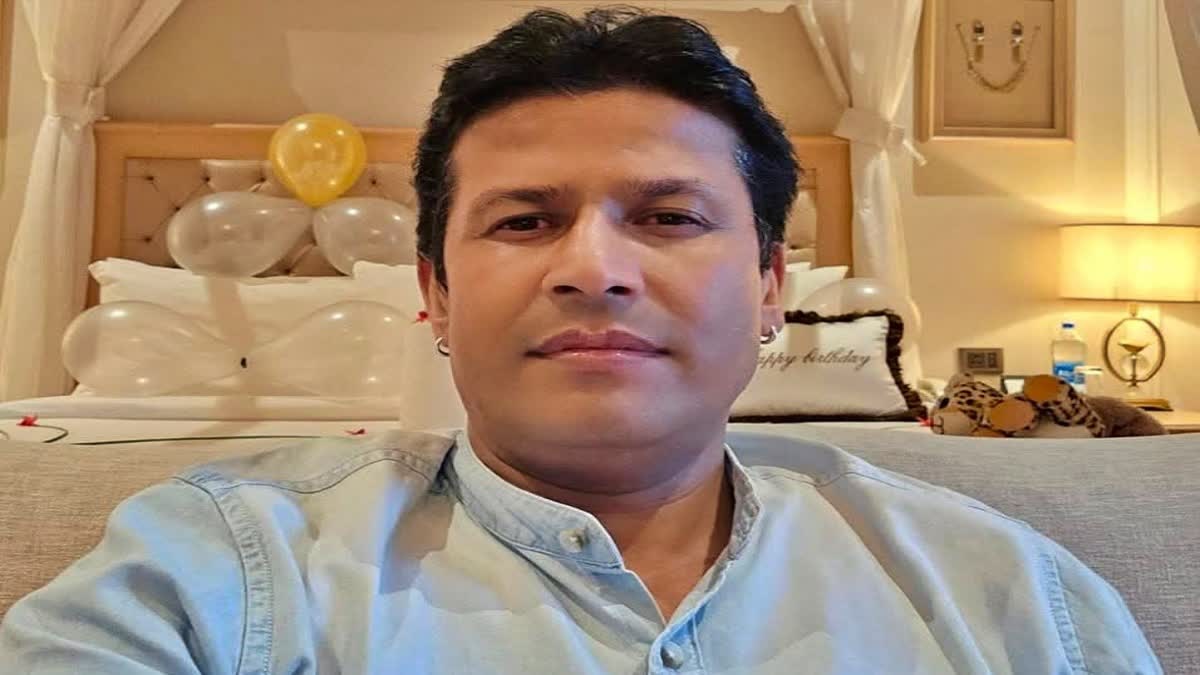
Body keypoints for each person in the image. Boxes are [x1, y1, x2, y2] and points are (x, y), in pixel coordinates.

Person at [0, 8, 1159, 674]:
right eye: (523, 221)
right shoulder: (219, 573)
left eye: (670, 218)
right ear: (434, 295)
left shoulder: (1001, 592)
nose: (593, 268)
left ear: (770, 290)